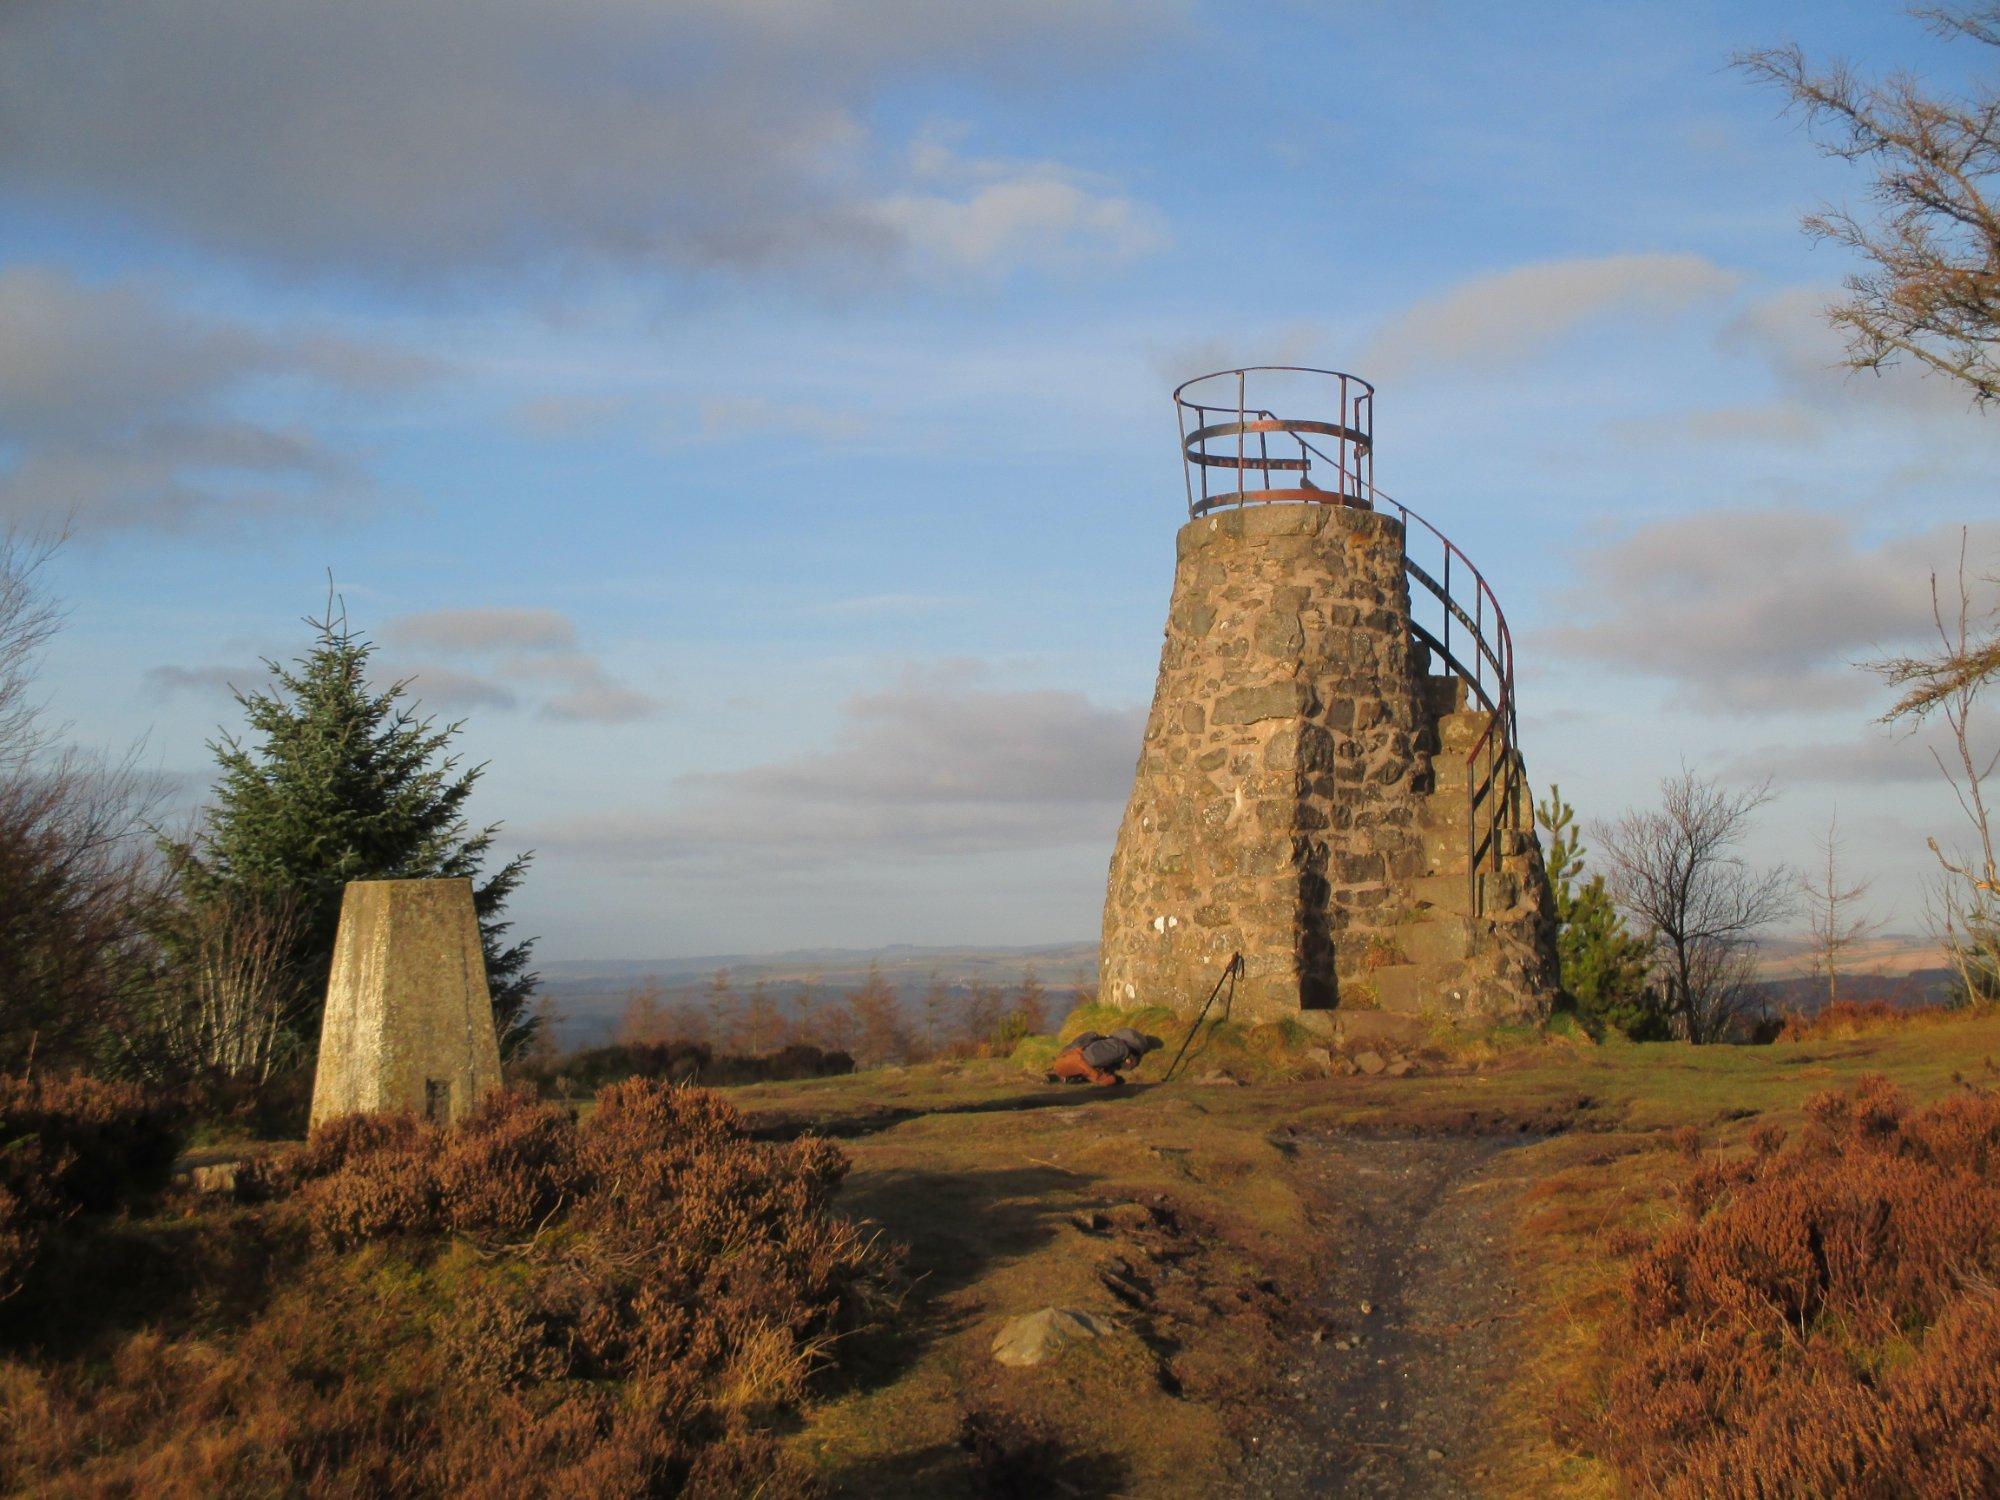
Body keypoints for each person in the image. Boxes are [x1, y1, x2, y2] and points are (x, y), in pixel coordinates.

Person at [1046, 1026, 1163, 1086]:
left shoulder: (1088, 1057)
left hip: (1120, 1045)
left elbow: (1084, 1064)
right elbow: (1083, 1062)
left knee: (1096, 1057)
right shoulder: (1118, 1048)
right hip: (1119, 1040)